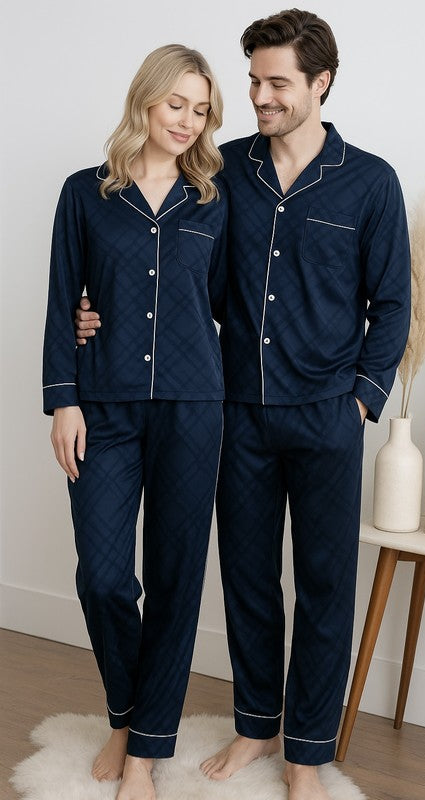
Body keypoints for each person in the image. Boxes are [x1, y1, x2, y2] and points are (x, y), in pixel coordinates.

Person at [75, 10, 411, 800]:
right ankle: (257, 725)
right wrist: (97, 313)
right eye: (254, 80)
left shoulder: (370, 181)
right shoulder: (218, 172)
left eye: (276, 83)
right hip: (232, 410)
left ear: (320, 83)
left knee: (324, 585)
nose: (259, 96)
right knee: (249, 581)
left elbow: (392, 302)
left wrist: (362, 402)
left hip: (328, 412)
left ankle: (306, 754)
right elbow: (164, 264)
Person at [43, 44, 227, 800]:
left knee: (177, 579)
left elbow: (229, 304)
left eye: (201, 110)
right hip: (104, 407)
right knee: (105, 577)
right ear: (145, 100)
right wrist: (64, 398)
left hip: (193, 409)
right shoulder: (84, 194)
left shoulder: (215, 201)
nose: (187, 120)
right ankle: (124, 710)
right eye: (175, 103)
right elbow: (63, 298)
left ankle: (145, 749)